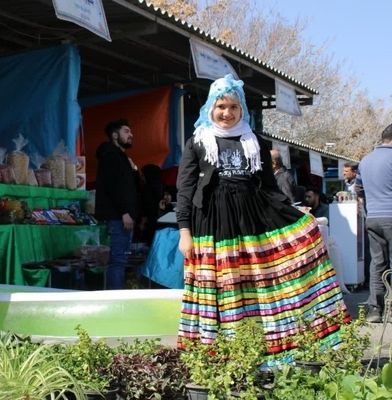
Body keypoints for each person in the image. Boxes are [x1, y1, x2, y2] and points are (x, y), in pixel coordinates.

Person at [176, 74, 348, 355]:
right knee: (220, 287)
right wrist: (184, 231)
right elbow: (185, 188)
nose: (226, 113)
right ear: (211, 108)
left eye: (233, 107)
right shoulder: (198, 141)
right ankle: (217, 355)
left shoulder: (253, 139)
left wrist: (297, 216)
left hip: (251, 221)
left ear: (241, 109)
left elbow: (269, 188)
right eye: (221, 107)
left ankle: (262, 349)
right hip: (212, 222)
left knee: (256, 284)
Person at [95, 118, 139, 289]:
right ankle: (116, 299)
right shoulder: (111, 156)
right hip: (117, 217)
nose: (131, 135)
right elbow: (114, 187)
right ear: (114, 135)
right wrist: (124, 212)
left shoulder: (121, 157)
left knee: (120, 260)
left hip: (122, 216)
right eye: (126, 131)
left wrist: (134, 170)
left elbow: (130, 187)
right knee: (118, 261)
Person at [357, 123, 392, 323]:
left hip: (373, 218)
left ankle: (374, 310)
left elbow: (358, 190)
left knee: (377, 263)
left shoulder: (365, 160)